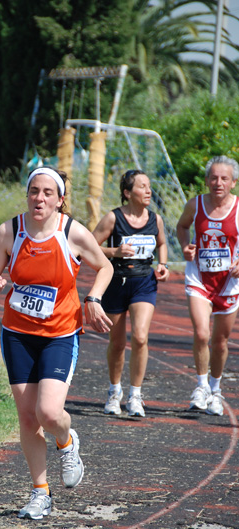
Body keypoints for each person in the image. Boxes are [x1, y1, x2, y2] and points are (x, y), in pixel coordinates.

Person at [0, 166, 113, 520]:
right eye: (34, 191)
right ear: (27, 195)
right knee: (27, 419)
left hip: (60, 334)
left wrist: (94, 299)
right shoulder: (8, 231)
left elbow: (105, 268)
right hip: (18, 334)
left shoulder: (72, 232)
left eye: (47, 193)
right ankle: (40, 493)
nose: (39, 198)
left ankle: (67, 441)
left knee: (50, 413)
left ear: (59, 200)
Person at [92, 169, 170, 418]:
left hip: (144, 283)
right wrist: (114, 252)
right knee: (117, 343)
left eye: (149, 186)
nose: (148, 191)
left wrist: (163, 264)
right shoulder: (113, 219)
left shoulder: (155, 219)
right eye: (142, 187)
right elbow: (90, 246)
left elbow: (162, 243)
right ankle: (115, 391)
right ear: (127, 193)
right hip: (115, 283)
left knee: (140, 337)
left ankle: (135, 395)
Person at [176, 156, 239, 416]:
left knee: (220, 341)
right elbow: (182, 226)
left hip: (229, 283)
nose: (218, 183)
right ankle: (201, 387)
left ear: (233, 182)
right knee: (202, 334)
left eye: (224, 178)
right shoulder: (196, 204)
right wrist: (184, 246)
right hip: (199, 278)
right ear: (206, 180)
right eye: (213, 177)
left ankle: (215, 389)